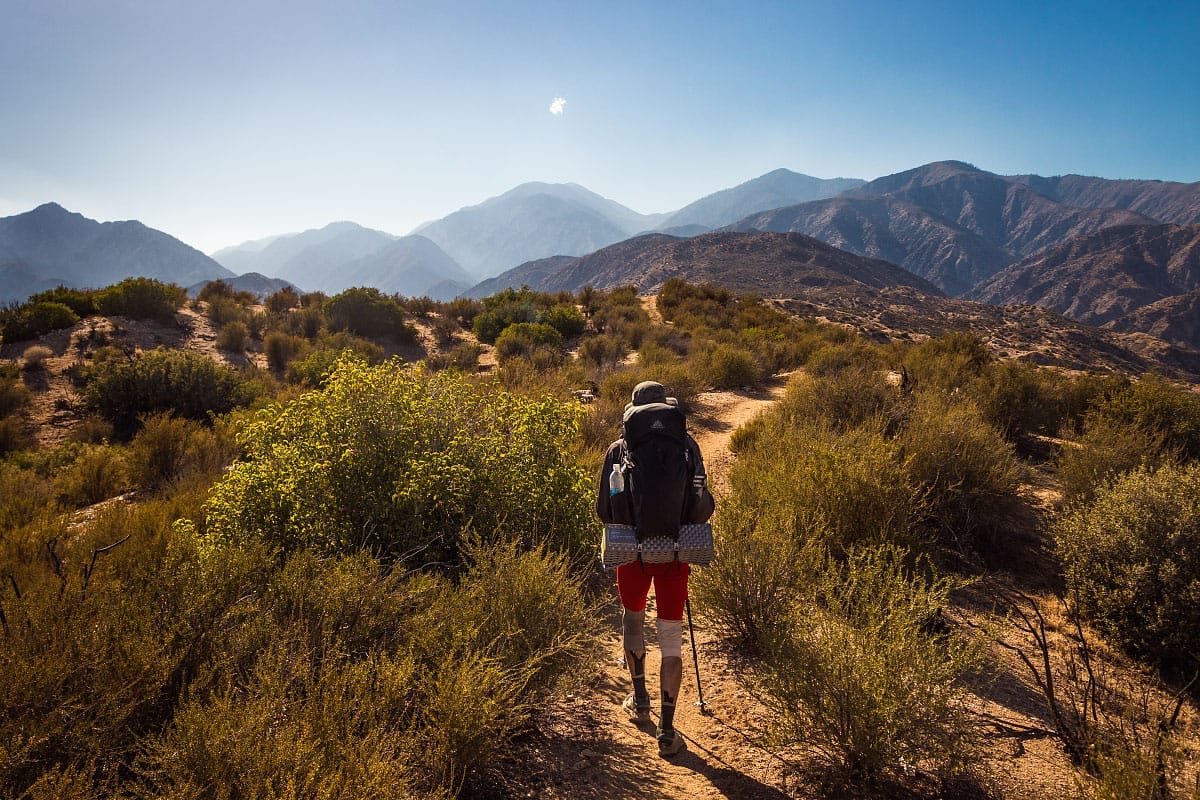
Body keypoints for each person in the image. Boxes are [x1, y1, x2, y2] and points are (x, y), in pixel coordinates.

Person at [595, 380, 715, 757]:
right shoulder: (687, 447)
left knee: (633, 622)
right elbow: (701, 507)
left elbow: (603, 511)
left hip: (631, 553)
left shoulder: (618, 449)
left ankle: (640, 699)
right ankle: (667, 730)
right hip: (676, 555)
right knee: (670, 639)